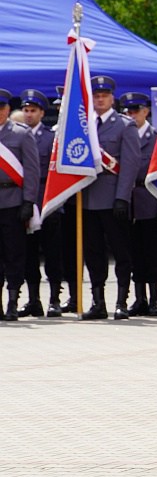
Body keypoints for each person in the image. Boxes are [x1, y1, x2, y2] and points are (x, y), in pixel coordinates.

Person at [81, 75, 140, 320]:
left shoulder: (124, 125)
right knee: (93, 253)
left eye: (104, 95)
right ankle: (98, 302)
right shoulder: (85, 126)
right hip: (88, 199)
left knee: (121, 252)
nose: (100, 99)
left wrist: (122, 197)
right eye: (96, 95)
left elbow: (131, 163)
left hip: (113, 198)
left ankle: (121, 301)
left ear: (112, 98)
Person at [121, 92, 157, 317]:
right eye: (127, 111)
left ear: (146, 111)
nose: (131, 115)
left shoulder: (156, 138)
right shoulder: (124, 135)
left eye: (135, 111)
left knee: (152, 252)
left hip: (150, 200)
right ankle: (139, 298)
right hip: (129, 202)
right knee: (133, 253)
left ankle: (155, 298)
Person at [17, 90, 58, 317]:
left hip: (47, 200)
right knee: (29, 254)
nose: (29, 114)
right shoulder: (17, 135)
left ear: (42, 113)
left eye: (33, 110)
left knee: (52, 252)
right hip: (25, 201)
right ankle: (34, 299)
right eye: (26, 110)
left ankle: (54, 299)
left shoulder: (51, 138)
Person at [0, 89, 40, 320]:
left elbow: (33, 171)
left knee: (14, 254)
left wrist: (28, 201)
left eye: (2, 108)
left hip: (14, 201)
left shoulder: (21, 134)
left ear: (7, 109)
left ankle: (13, 301)